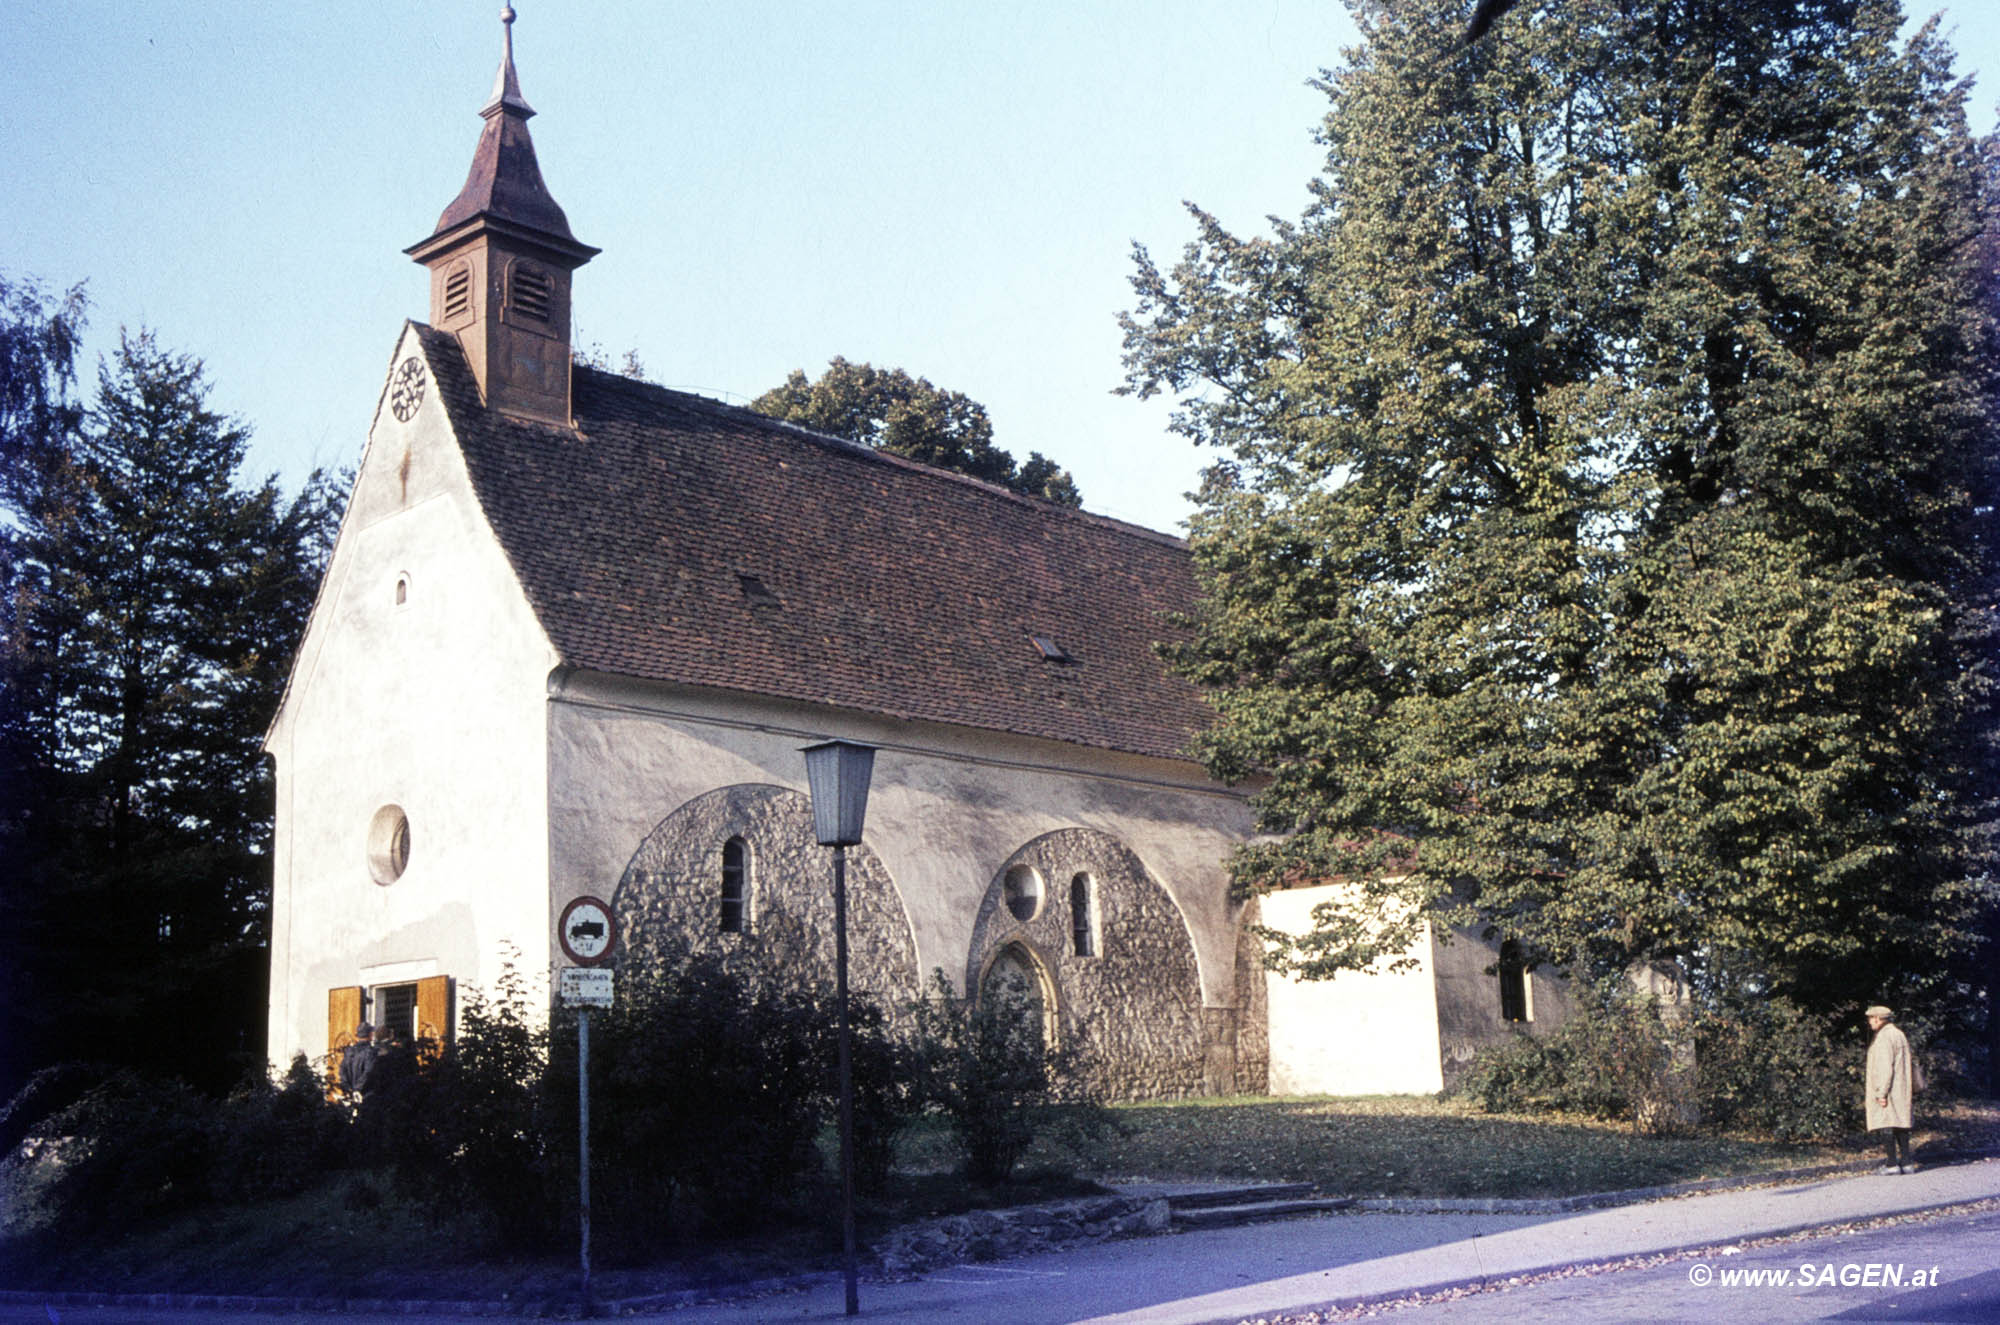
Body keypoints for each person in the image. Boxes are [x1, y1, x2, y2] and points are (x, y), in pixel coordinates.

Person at [1864, 1005, 1914, 1174]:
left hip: (1889, 1088)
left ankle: (1892, 1164)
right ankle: (1907, 1163)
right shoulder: (1899, 1034)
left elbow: (1885, 1068)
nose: (1869, 1022)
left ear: (1878, 1018)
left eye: (1871, 1018)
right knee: (1901, 1123)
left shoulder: (1884, 1037)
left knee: (1887, 1123)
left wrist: (1881, 1093)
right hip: (1901, 1087)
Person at [338, 1020, 379, 1097]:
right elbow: (368, 1072)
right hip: (365, 1094)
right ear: (370, 1034)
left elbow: (342, 1070)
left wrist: (347, 1088)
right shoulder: (370, 1052)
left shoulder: (349, 1051)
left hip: (350, 1093)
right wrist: (357, 1089)